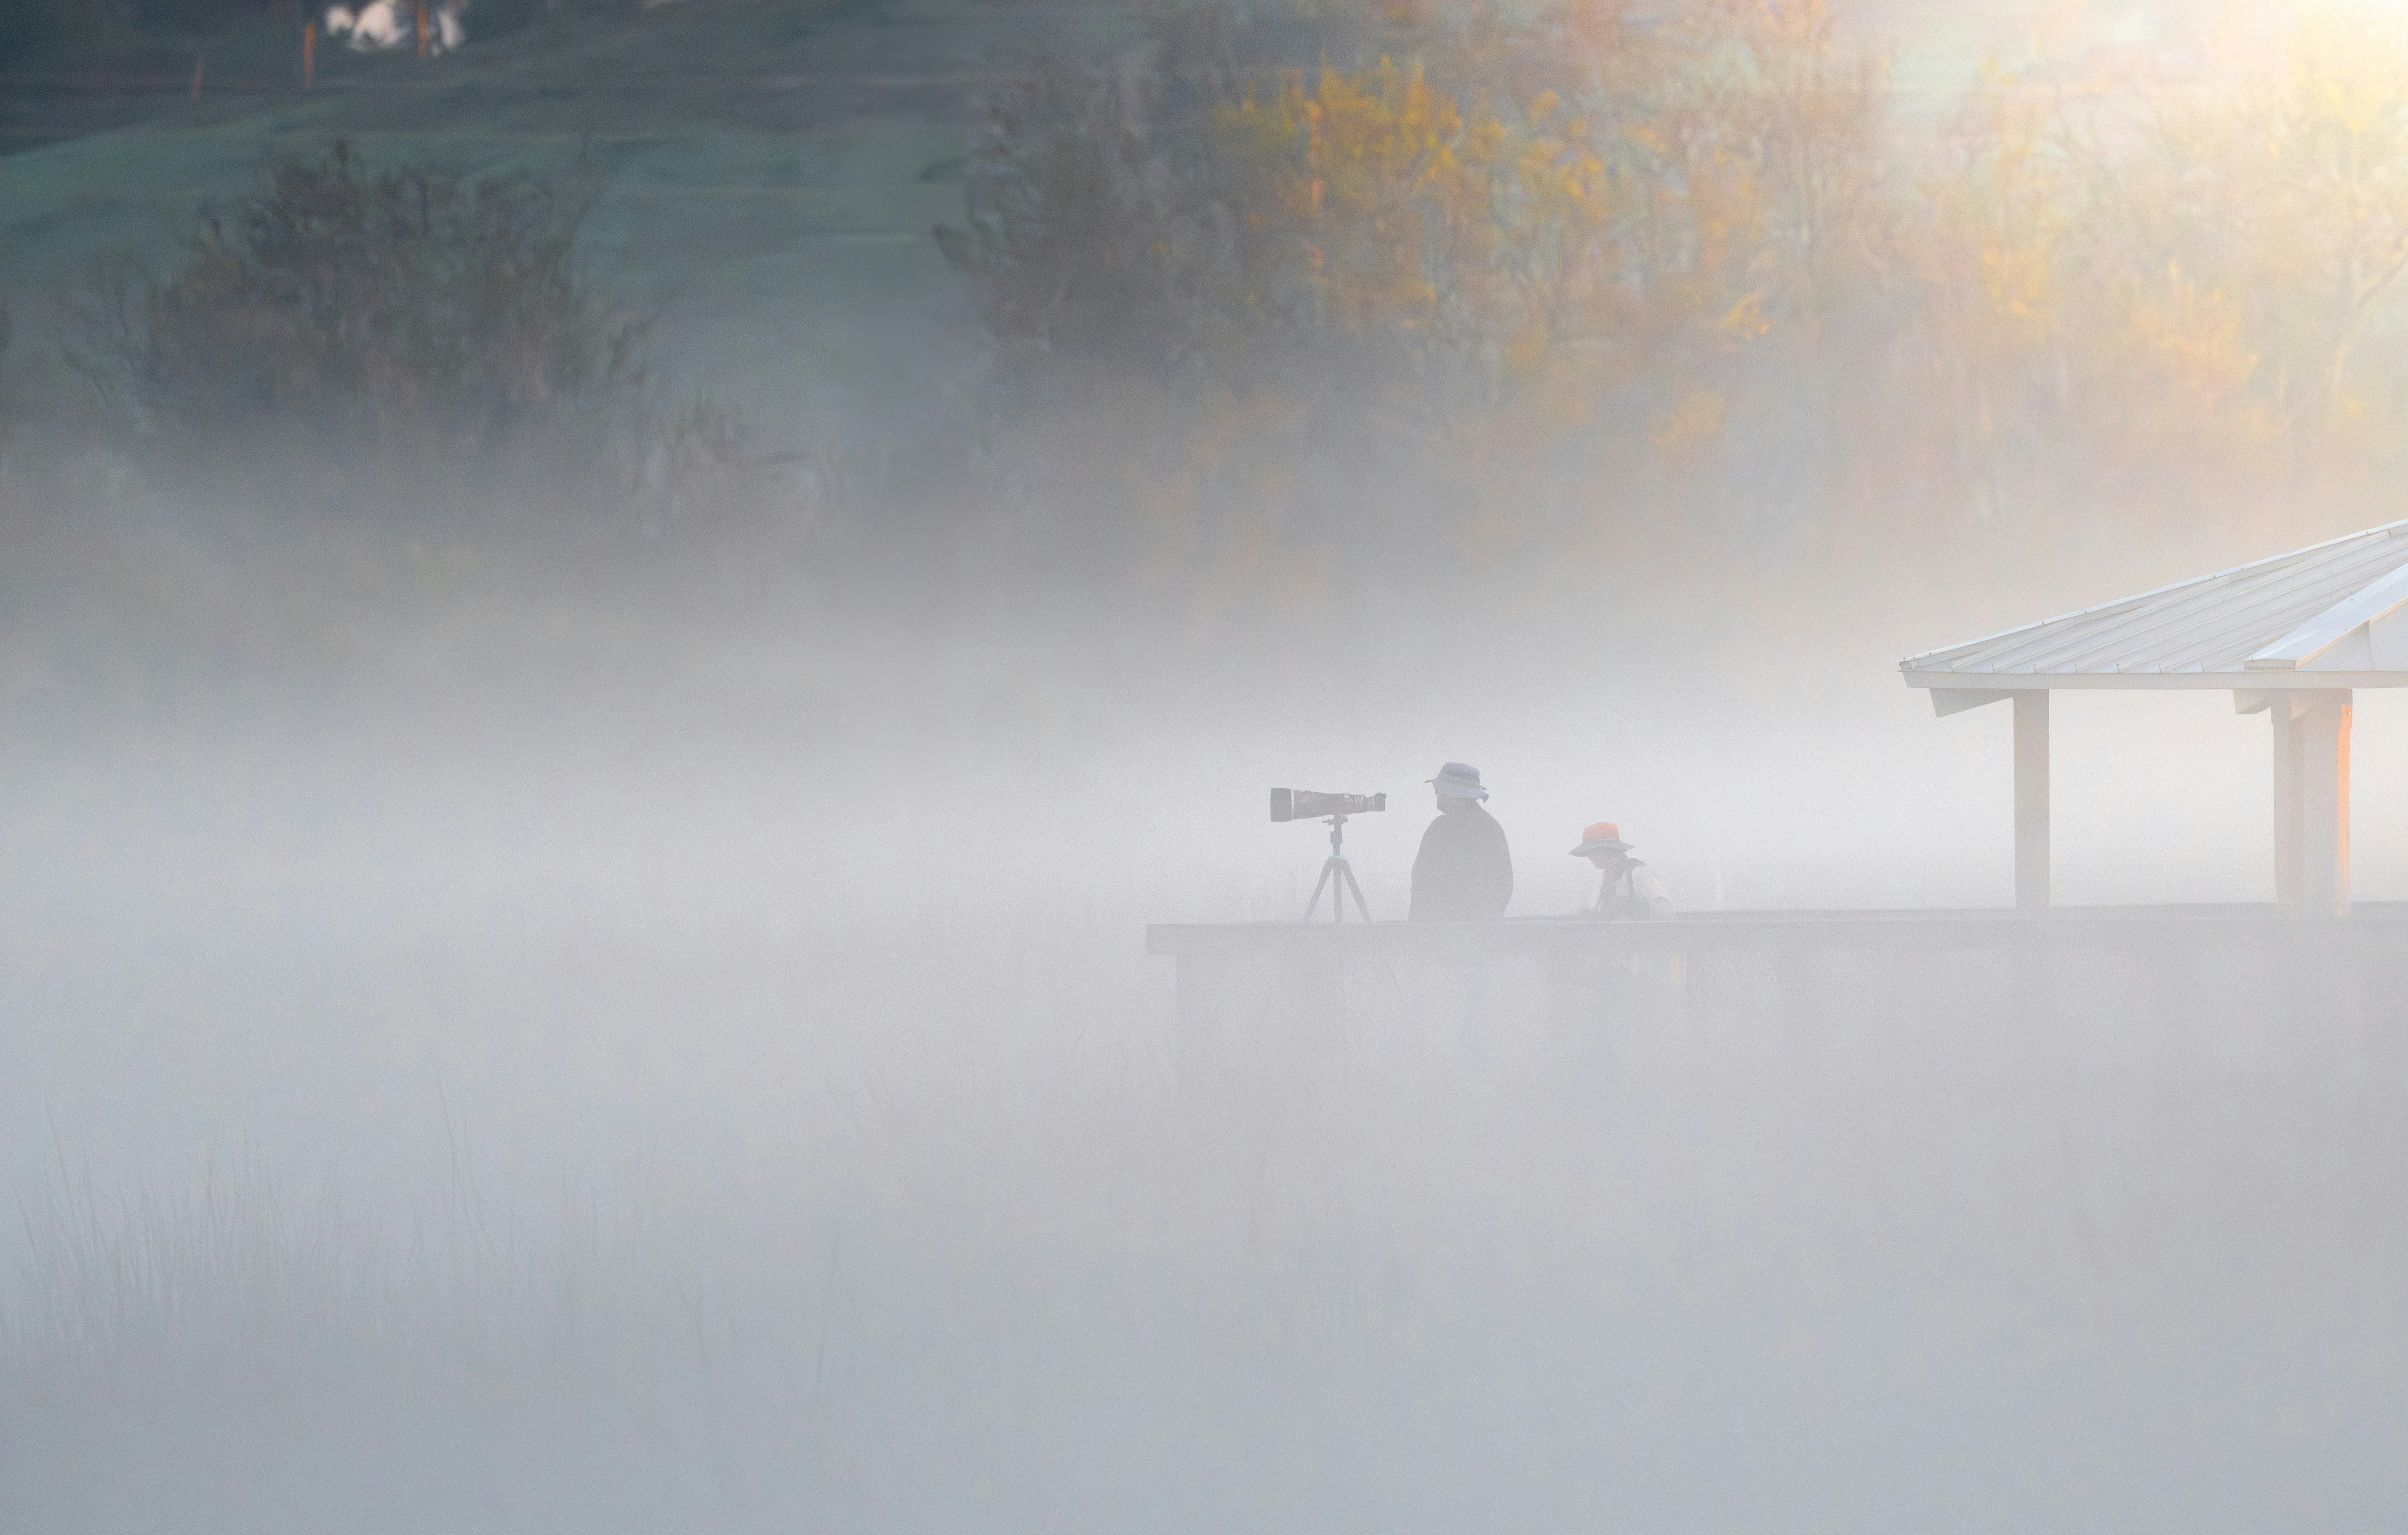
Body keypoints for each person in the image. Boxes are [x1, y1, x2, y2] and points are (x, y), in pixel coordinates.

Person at [1410, 762, 1513, 921]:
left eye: (1440, 790)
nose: (1437, 794)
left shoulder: (1442, 828)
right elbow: (1503, 885)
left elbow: (1423, 883)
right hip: (1483, 931)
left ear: (1451, 793)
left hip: (1439, 933)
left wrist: (1416, 931)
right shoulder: (1492, 827)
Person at [1571, 822, 1674, 920]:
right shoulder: (1605, 878)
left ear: (1607, 850)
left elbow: (1667, 911)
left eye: (1591, 851)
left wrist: (1636, 908)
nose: (1589, 856)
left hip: (1639, 937)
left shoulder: (1638, 873)